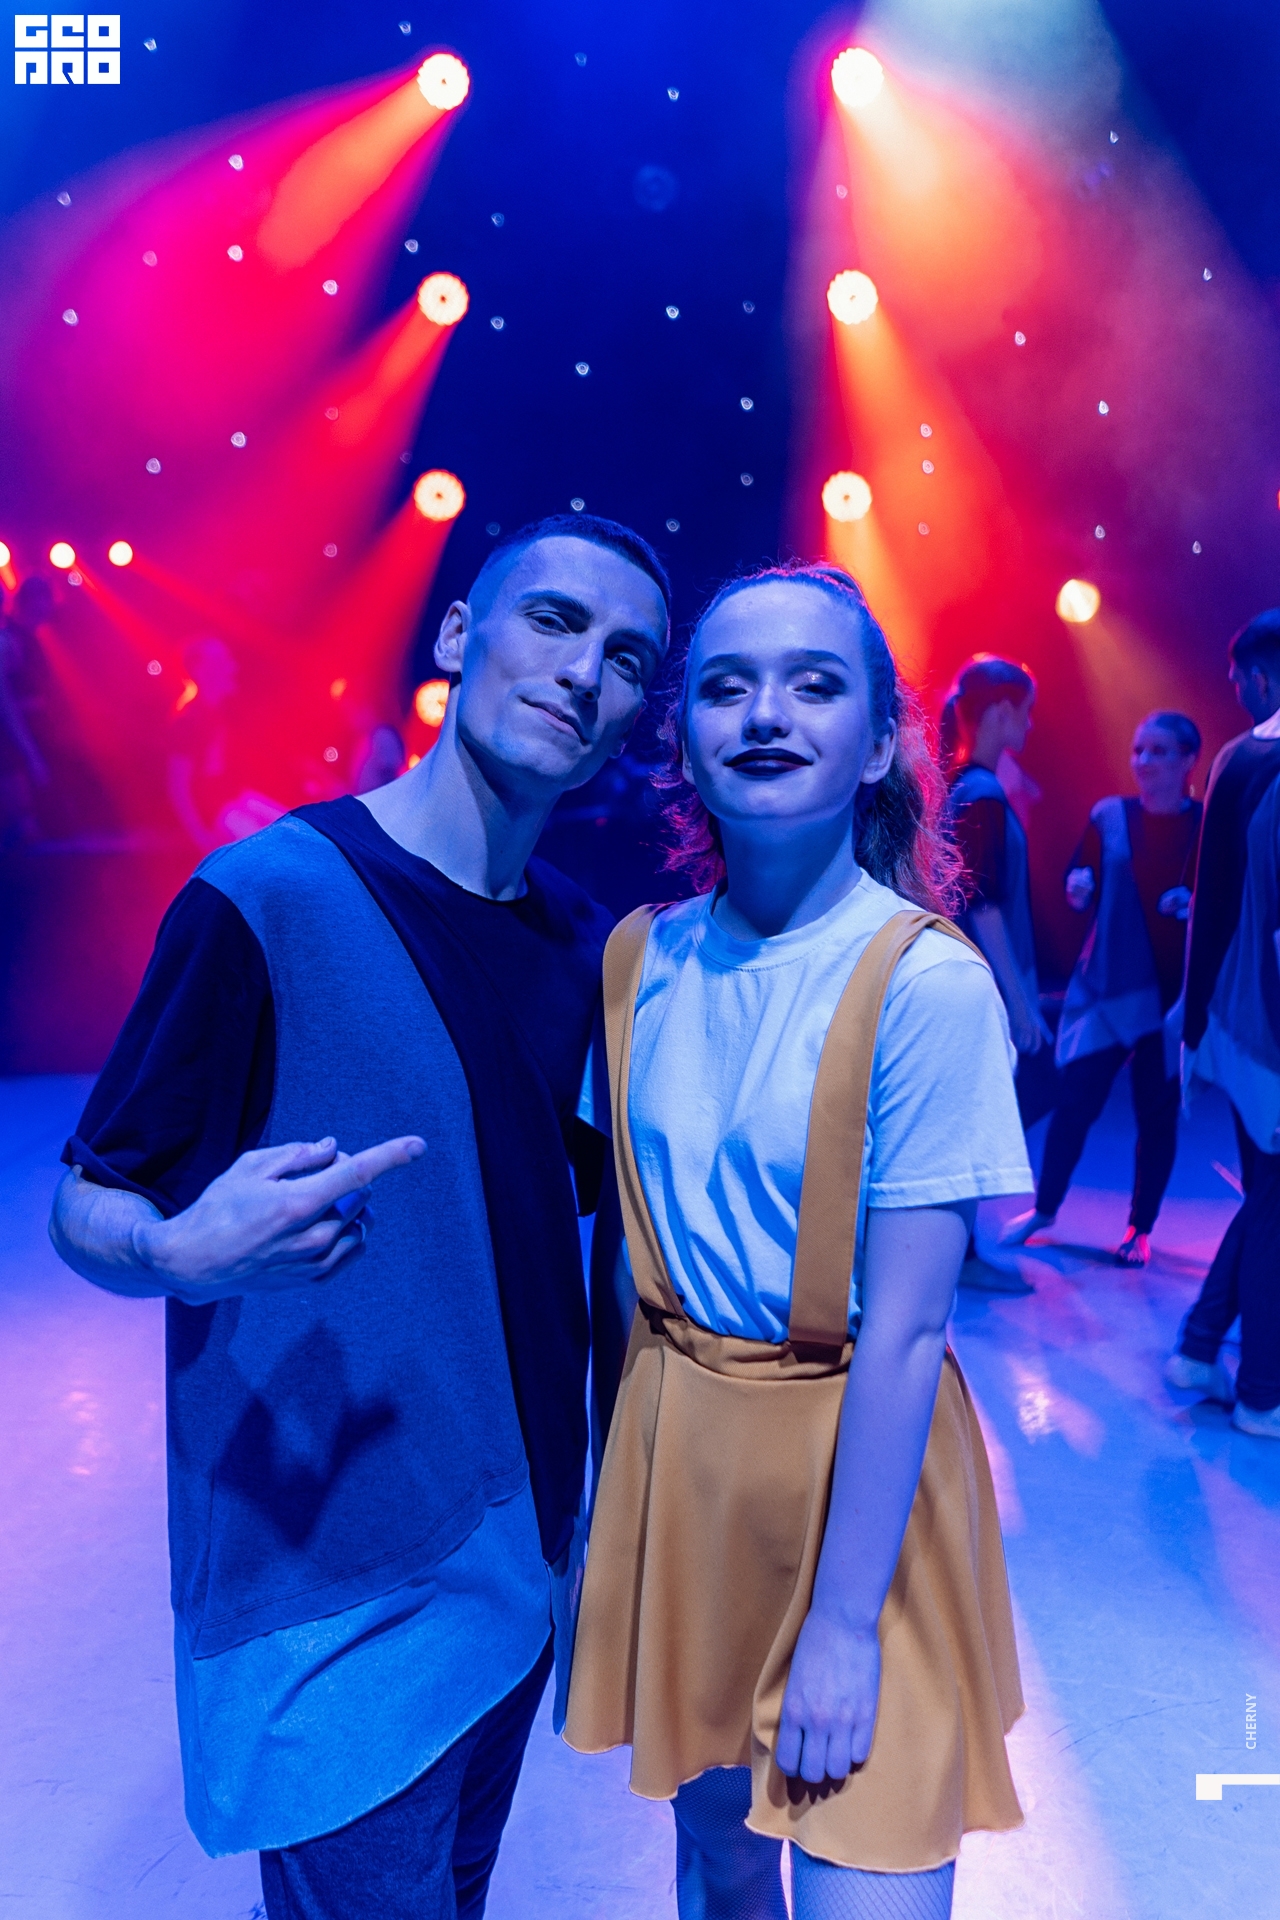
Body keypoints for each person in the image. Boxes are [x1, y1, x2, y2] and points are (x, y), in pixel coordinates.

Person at [48, 514, 671, 1917]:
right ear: (459, 634)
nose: (584, 671)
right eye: (554, 620)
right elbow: (86, 1200)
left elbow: (572, 1260)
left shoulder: (589, 949)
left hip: (517, 1569)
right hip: (333, 1587)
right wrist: (172, 1247)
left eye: (627, 657)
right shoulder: (270, 897)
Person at [564, 563, 1031, 1919]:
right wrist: (603, 1514)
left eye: (813, 686)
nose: (765, 714)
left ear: (879, 744)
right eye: (727, 686)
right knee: (719, 1864)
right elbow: (624, 1271)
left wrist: (841, 1623)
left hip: (863, 1493)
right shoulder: (637, 959)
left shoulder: (925, 982)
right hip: (683, 1472)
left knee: (866, 1873)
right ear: (683, 738)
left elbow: (910, 1329)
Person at [1001, 712, 1202, 1265]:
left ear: (1188, 760)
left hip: (1170, 996)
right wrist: (1077, 887)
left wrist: (1195, 905)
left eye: (1159, 751)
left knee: (1155, 1115)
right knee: (1075, 1103)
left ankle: (1140, 1229)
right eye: (1139, 750)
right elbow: (1080, 880)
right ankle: (1044, 1208)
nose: (1144, 761)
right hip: (1109, 987)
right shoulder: (1109, 816)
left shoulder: (1205, 825)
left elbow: (1223, 897)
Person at [1166, 609, 1280, 1438]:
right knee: (1274, 1205)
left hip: (1234, 1019)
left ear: (1262, 676)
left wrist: (1195, 1022)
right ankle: (1262, 1393)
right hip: (1269, 1023)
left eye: (1239, 677)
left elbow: (1212, 902)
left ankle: (1203, 1347)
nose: (1236, 689)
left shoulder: (1239, 757)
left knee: (1269, 1195)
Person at [942, 656, 1055, 1132]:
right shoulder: (981, 794)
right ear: (1004, 711)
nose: (1030, 724)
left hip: (968, 979)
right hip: (988, 983)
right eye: (1026, 711)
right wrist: (1019, 1002)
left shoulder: (960, 787)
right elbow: (983, 905)